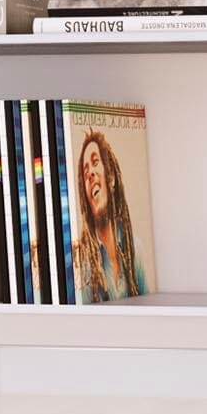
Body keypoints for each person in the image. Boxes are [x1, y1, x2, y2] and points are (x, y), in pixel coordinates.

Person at [72, 127, 149, 300]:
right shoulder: (83, 265)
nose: (90, 173)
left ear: (111, 178)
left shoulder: (135, 249)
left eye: (95, 162)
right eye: (85, 172)